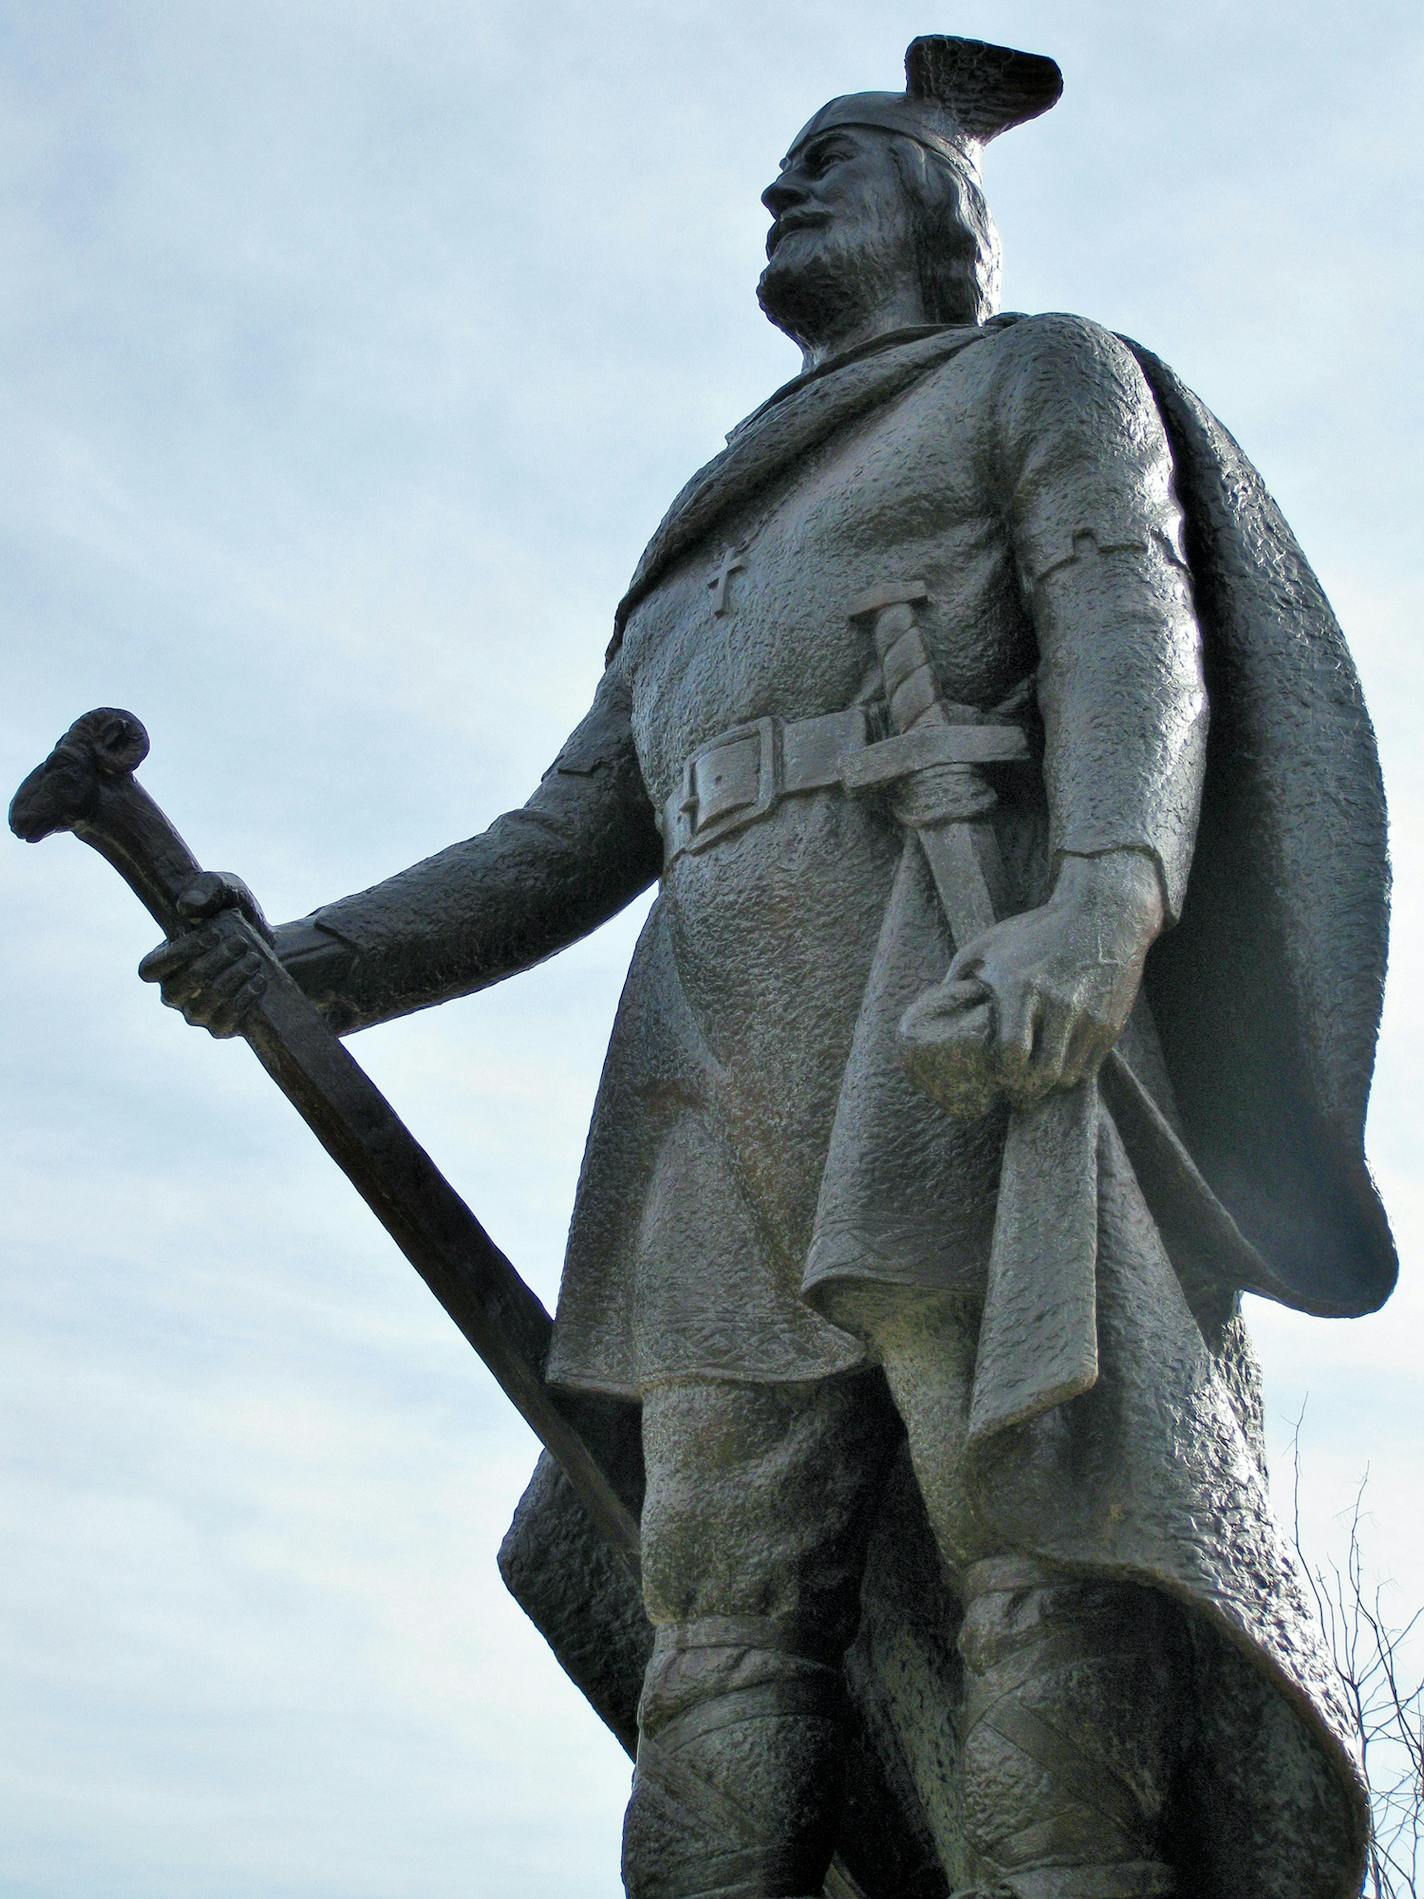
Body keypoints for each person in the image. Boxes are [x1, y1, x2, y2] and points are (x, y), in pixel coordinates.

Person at [141, 36, 1396, 1899]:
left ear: (942, 212)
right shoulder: (694, 557)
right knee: (715, 1611)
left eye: (830, 161)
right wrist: (307, 960)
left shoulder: (1040, 377)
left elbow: (1137, 638)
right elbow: (560, 840)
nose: (779, 191)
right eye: (780, 168)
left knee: (1041, 1565)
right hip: (708, 1077)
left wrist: (1104, 905)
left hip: (949, 1003)